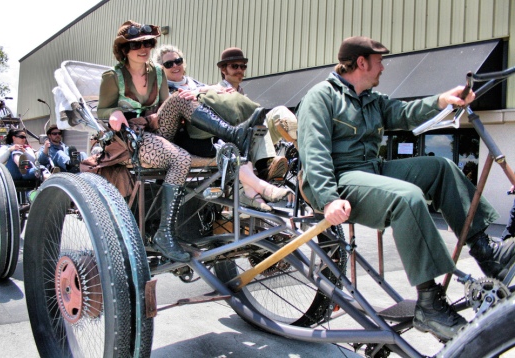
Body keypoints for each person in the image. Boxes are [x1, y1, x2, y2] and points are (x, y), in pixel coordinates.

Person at [296, 36, 515, 342]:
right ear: (361, 62)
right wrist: (329, 199)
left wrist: (443, 100)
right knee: (407, 197)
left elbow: (405, 112)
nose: (383, 67)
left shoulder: (372, 99)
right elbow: (314, 152)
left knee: (441, 167)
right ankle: (429, 302)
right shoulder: (321, 97)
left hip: (372, 171)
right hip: (340, 181)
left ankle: (485, 253)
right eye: (379, 61)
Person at [97, 20, 270, 262]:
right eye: (137, 45)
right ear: (124, 50)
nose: (144, 48)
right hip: (132, 137)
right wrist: (113, 113)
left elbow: (166, 106)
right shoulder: (113, 77)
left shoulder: (157, 72)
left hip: (156, 130)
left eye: (148, 43)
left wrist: (180, 104)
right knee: (181, 159)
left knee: (182, 97)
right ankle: (164, 234)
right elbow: (102, 110)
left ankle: (233, 134)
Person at [153, 44, 292, 212]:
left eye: (178, 61)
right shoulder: (160, 88)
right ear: (160, 68)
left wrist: (207, 91)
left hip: (209, 134)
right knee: (231, 141)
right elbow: (158, 114)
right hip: (181, 137)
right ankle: (261, 185)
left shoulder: (196, 84)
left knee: (240, 139)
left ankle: (251, 190)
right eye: (169, 64)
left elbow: (215, 99)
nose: (175, 66)